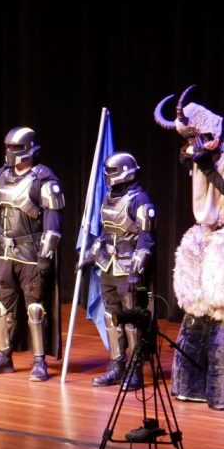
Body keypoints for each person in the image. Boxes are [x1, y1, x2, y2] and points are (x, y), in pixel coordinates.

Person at [154, 87, 224, 409]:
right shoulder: (198, 148)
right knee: (195, 303)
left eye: (198, 136)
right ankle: (191, 384)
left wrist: (207, 164)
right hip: (204, 229)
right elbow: (189, 159)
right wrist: (192, 155)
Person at [0, 127, 65, 382]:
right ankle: (4, 357)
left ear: (29, 149)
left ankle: (39, 361)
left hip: (31, 255)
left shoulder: (44, 180)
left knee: (34, 308)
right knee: (4, 307)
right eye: (8, 147)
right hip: (4, 253)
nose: (9, 153)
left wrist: (46, 256)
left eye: (14, 148)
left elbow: (53, 225)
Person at [79, 151, 155, 389]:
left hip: (129, 270)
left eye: (113, 173)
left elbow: (146, 239)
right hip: (108, 267)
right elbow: (105, 232)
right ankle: (117, 365)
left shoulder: (140, 200)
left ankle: (136, 370)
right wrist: (91, 254)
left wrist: (136, 271)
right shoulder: (109, 197)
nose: (109, 177)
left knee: (132, 320)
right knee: (113, 317)